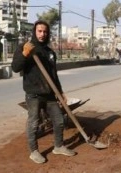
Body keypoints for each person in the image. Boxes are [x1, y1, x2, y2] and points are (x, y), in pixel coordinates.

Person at [11, 20, 76, 164]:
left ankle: (58, 146)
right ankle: (34, 151)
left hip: (50, 94)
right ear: (34, 31)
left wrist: (60, 92)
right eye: (39, 31)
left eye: (45, 31)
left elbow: (53, 75)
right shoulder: (25, 47)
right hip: (33, 93)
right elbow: (15, 68)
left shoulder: (49, 52)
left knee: (59, 121)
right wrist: (25, 54)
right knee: (33, 123)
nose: (42, 34)